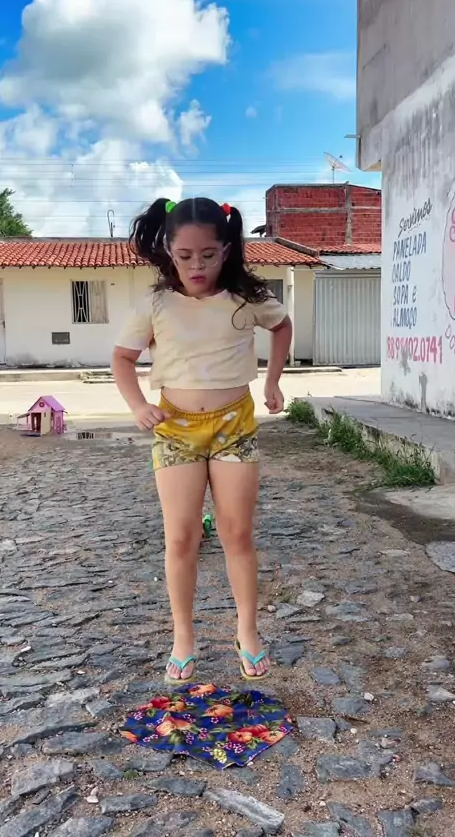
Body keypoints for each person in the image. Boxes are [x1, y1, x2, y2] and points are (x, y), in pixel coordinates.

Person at [112, 197, 292, 684]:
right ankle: (183, 637)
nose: (197, 265)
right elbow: (122, 359)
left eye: (209, 255)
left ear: (226, 250)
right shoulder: (156, 304)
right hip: (176, 431)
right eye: (186, 255)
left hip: (234, 426)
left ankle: (248, 630)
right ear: (169, 250)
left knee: (237, 533)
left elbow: (281, 326)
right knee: (181, 537)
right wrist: (138, 405)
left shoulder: (245, 298)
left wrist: (273, 381)